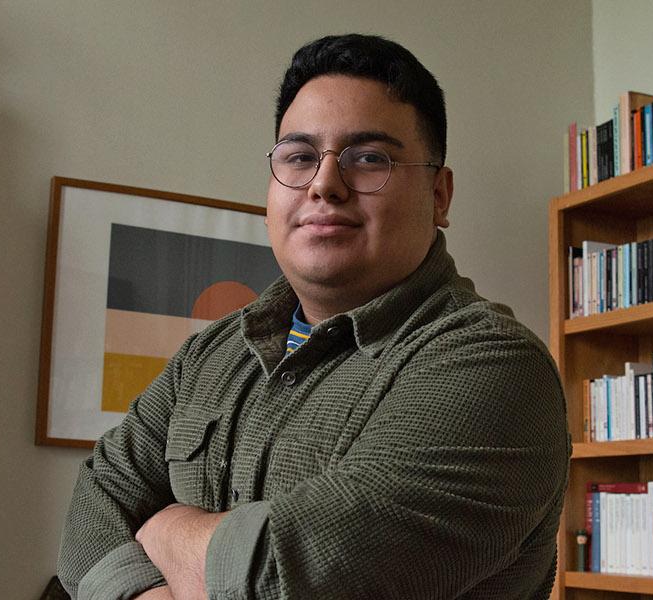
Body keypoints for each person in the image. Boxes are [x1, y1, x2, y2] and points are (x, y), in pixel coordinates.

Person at [57, 34, 569, 600]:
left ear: (440, 195)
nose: (325, 184)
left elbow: (290, 580)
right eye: (300, 157)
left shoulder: (492, 366)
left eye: (369, 158)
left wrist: (163, 527)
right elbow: (95, 503)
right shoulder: (212, 353)